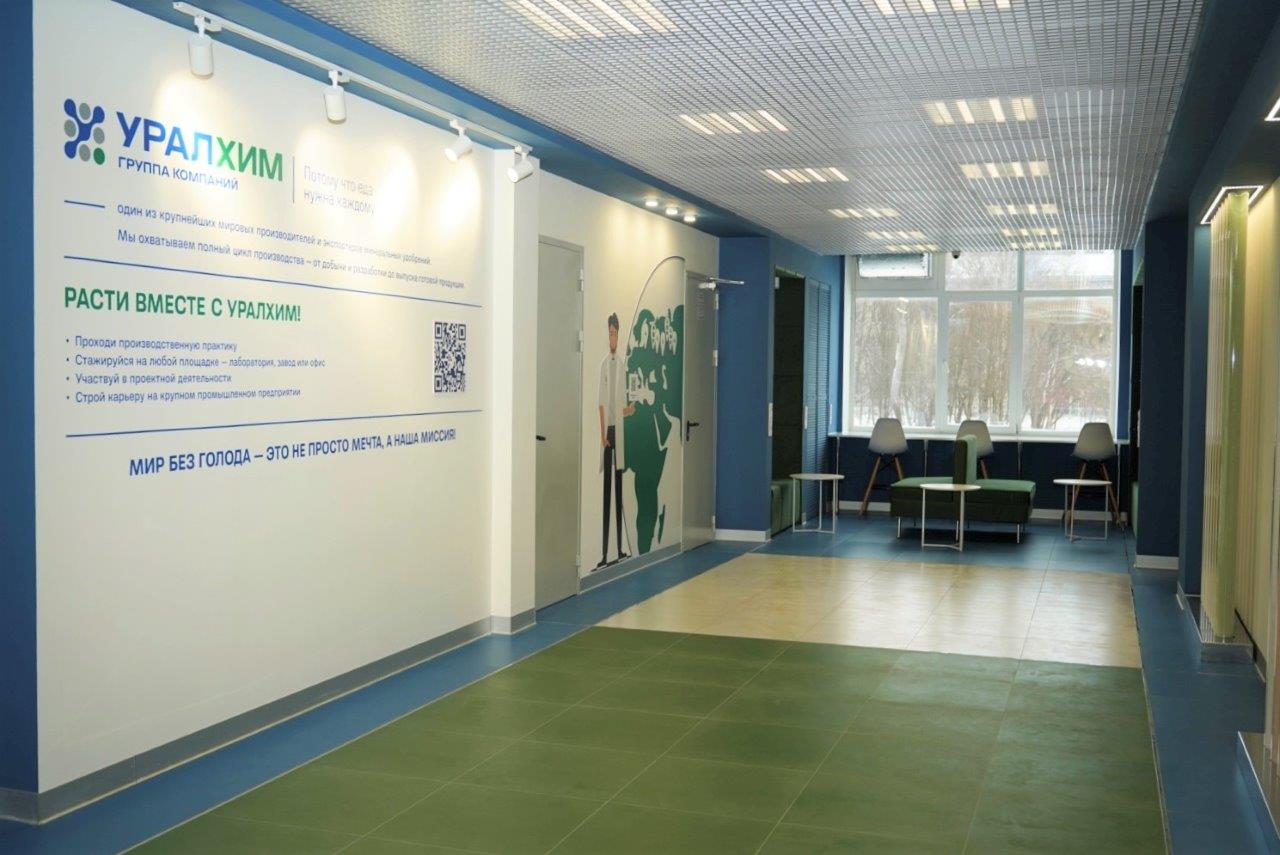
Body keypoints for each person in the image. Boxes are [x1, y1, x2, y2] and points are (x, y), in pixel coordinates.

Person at [597, 313, 635, 569]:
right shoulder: (603, 366)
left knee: (619, 491)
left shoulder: (622, 365)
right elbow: (600, 404)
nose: (613, 337)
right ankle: (604, 553)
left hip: (618, 432)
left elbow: (620, 406)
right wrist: (602, 436)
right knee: (606, 491)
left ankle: (620, 549)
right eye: (610, 333)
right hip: (608, 434)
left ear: (619, 335)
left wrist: (629, 411)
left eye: (615, 333)